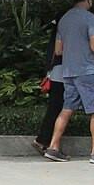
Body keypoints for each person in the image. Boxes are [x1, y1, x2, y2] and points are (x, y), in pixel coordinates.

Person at [43, 0, 94, 164]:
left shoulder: (64, 19)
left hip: (69, 72)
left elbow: (58, 50)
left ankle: (53, 147)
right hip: (87, 71)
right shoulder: (91, 19)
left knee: (66, 109)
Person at [32, 23, 63, 156]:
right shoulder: (63, 33)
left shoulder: (57, 33)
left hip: (56, 73)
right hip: (61, 74)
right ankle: (44, 141)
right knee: (57, 108)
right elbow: (58, 52)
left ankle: (44, 140)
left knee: (55, 108)